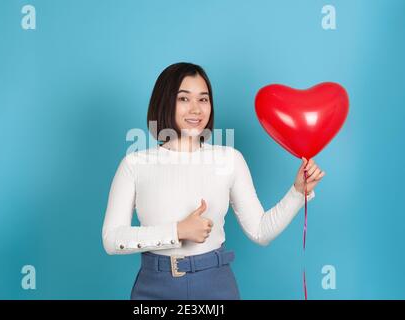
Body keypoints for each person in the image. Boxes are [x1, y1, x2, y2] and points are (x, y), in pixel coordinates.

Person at [101, 62, 325, 300]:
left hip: (215, 286)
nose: (196, 109)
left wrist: (297, 192)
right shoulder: (134, 164)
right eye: (184, 99)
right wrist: (177, 231)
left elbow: (261, 232)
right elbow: (112, 240)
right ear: (165, 102)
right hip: (154, 288)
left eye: (204, 99)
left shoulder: (230, 159)